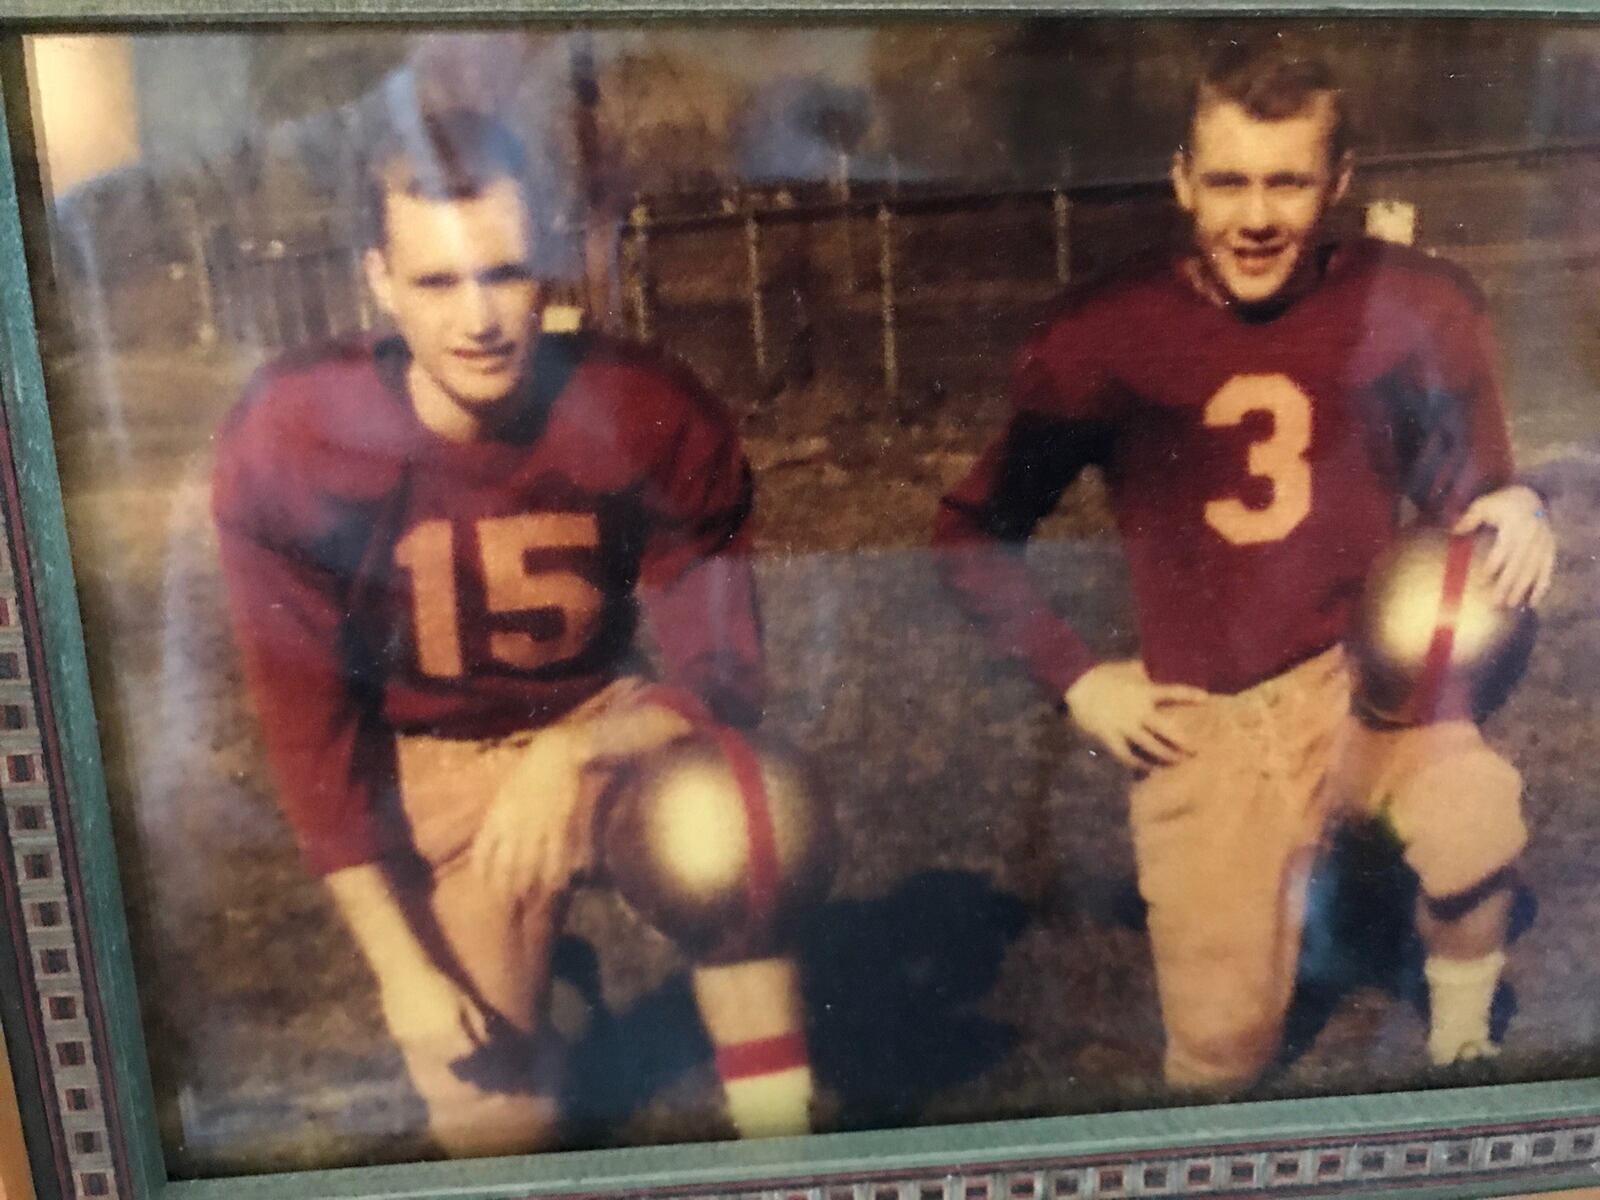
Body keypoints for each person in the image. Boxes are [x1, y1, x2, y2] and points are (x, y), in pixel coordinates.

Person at [933, 38, 1557, 1093]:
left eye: (1287, 181)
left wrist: (1515, 503)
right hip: (1205, 718)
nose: (1256, 216)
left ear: (1339, 184)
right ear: (1181, 179)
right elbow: (968, 535)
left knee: (1472, 815)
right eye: (1226, 181)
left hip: (1361, 691)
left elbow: (1467, 498)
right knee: (1219, 1061)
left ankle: (1460, 1038)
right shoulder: (1108, 332)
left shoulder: (1405, 301)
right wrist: (1079, 677)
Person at [213, 108, 814, 1156]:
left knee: (742, 819)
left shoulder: (639, 407)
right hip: (427, 772)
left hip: (598, 725)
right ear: (379, 283)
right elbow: (309, 745)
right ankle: (550, 999)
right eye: (438, 282)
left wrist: (574, 749)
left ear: (550, 268)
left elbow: (722, 675)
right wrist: (403, 974)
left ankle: (787, 1149)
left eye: (504, 273)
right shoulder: (295, 434)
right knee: (493, 1127)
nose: (481, 317)